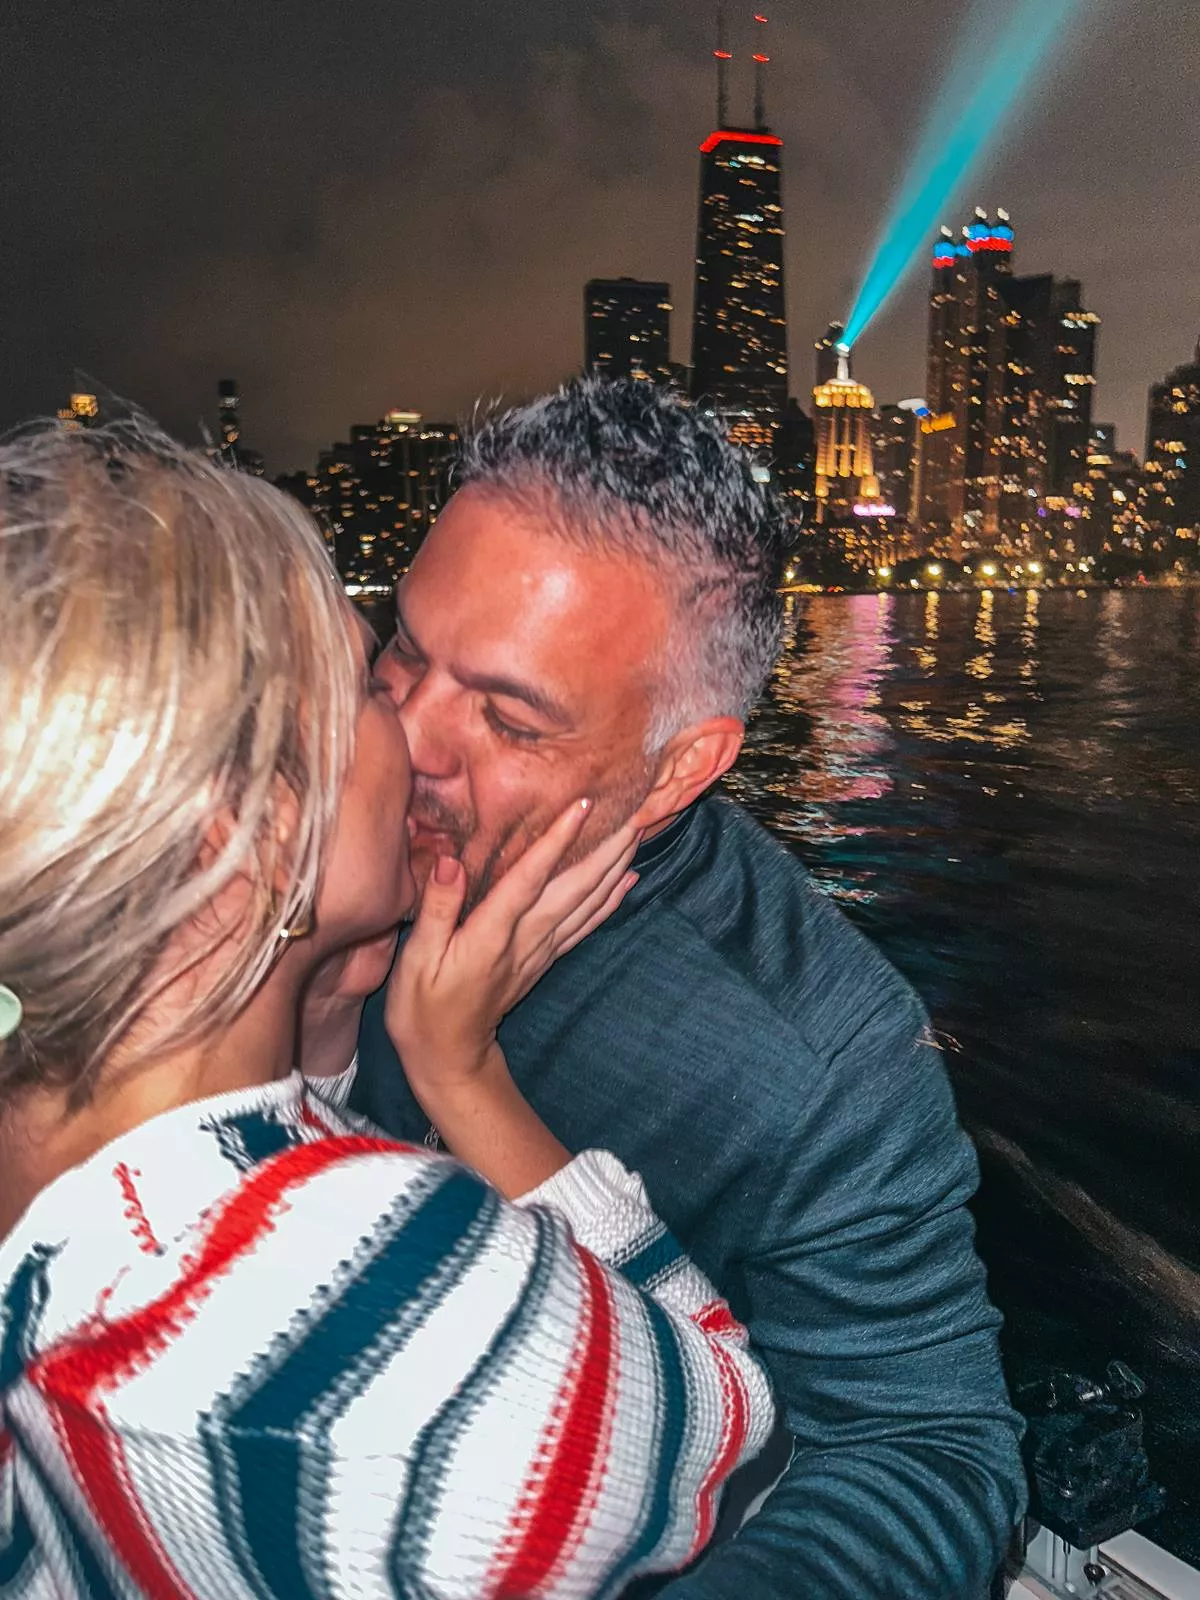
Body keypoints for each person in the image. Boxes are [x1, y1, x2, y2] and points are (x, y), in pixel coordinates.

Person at [0, 419, 776, 1600]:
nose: (412, 739)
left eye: (507, 718)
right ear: (253, 835)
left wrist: (305, 1002)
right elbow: (737, 1441)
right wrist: (463, 1077)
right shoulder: (421, 1341)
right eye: (376, 677)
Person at [328, 378, 1028, 1598]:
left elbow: (929, 1456)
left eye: (508, 718)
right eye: (403, 648)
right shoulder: (313, 795)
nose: (404, 740)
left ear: (677, 767)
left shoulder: (818, 1055)